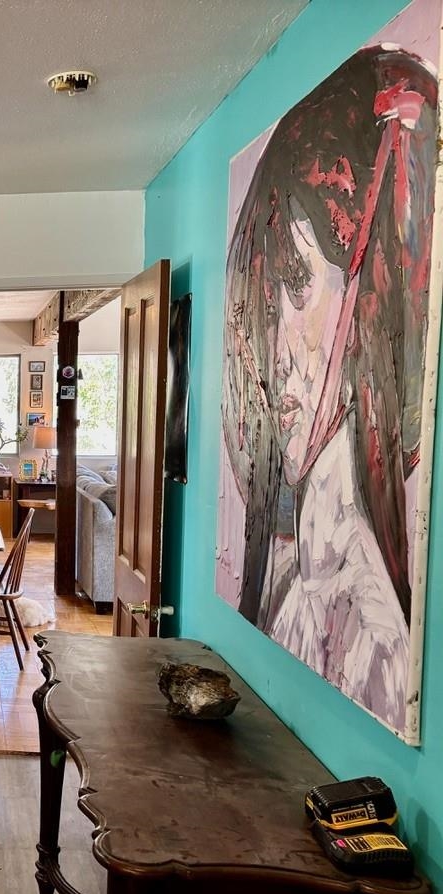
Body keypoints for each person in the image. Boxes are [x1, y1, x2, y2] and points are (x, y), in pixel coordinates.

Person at [220, 43, 438, 734]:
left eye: (296, 283)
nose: (275, 344)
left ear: (370, 295)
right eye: (270, 290)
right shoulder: (292, 579)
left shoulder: (371, 641)